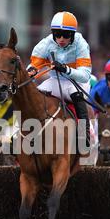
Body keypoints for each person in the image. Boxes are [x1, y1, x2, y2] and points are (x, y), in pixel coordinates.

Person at [27, 11, 92, 149]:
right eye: (57, 34)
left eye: (66, 35)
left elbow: (85, 75)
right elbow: (33, 65)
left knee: (76, 94)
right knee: (33, 96)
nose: (61, 39)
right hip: (55, 81)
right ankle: (22, 134)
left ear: (73, 35)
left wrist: (65, 69)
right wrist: (31, 71)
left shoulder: (81, 44)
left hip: (78, 82)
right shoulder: (45, 43)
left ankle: (83, 135)